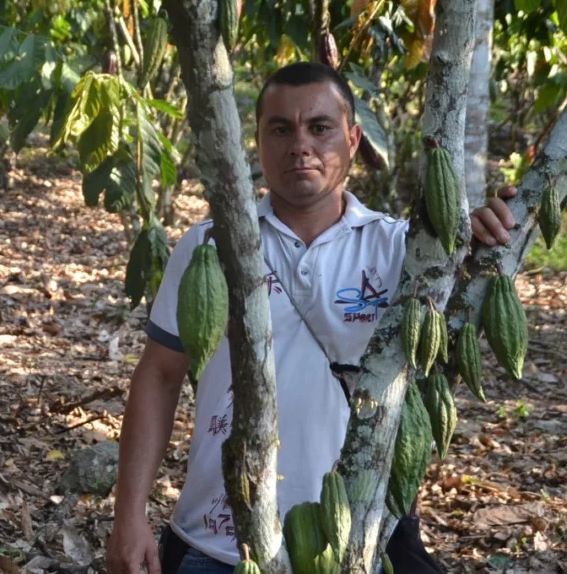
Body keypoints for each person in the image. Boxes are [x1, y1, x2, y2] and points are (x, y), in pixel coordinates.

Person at [105, 62, 518, 574]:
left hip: (360, 539)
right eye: (280, 129)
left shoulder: (407, 250)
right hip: (222, 542)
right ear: (257, 141)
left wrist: (478, 243)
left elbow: (455, 336)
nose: (300, 144)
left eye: (319, 128)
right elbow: (160, 376)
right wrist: (129, 515)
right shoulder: (209, 246)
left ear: (353, 138)